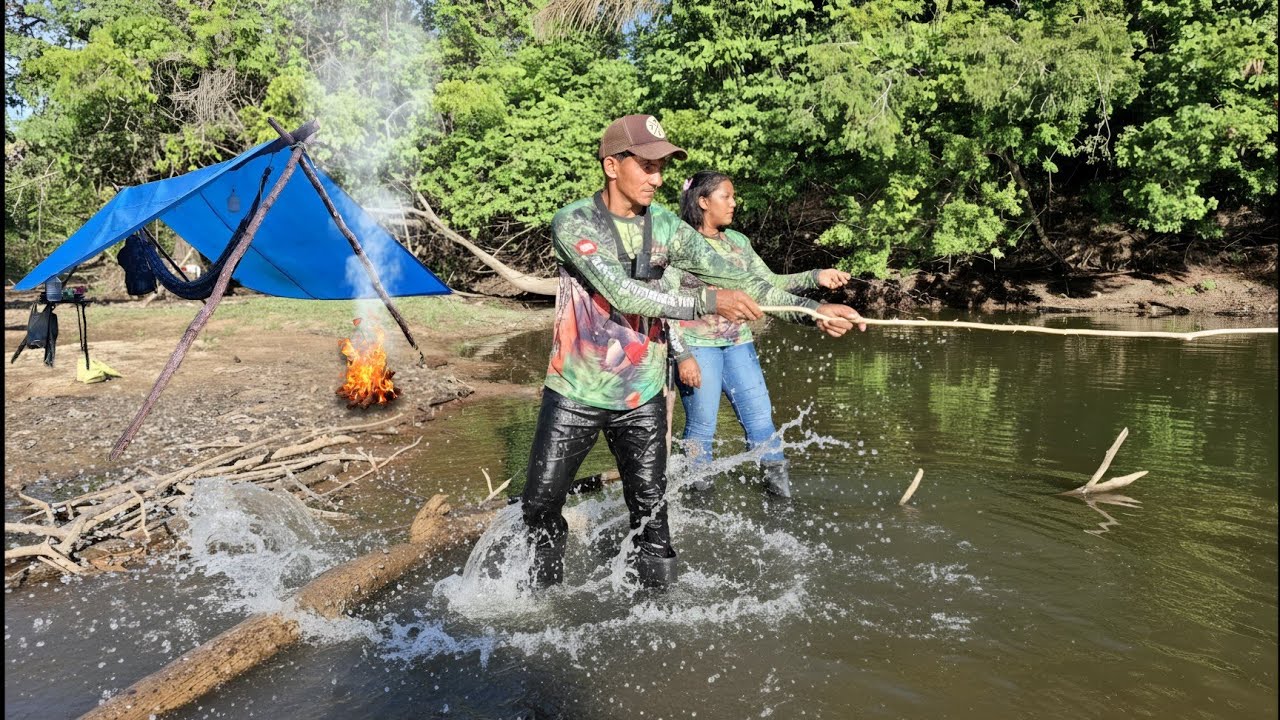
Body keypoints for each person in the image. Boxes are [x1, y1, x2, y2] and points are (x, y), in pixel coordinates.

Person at [520, 114, 866, 590]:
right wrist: (707, 300)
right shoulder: (574, 222)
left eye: (661, 168)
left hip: (641, 395)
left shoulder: (664, 225)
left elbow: (740, 280)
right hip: (575, 391)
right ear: (611, 166)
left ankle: (658, 609)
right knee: (540, 504)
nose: (656, 179)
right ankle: (542, 600)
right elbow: (624, 294)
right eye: (645, 166)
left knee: (652, 513)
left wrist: (812, 309)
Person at [668, 171, 850, 498]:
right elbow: (665, 304)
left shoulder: (738, 242)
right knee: (701, 430)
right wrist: (682, 356)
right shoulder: (680, 242)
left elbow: (768, 286)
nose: (734, 203)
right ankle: (696, 504)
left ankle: (780, 502)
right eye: (727, 196)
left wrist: (815, 276)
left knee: (762, 425)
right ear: (703, 201)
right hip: (697, 347)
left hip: (738, 344)